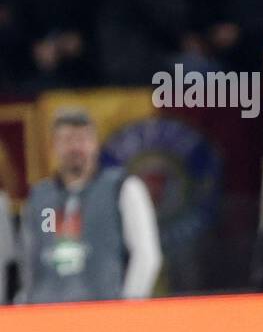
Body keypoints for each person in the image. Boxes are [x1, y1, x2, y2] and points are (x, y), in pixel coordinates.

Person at [19, 109, 161, 304]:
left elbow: (146, 255)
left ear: (95, 144)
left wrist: (129, 308)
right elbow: (30, 261)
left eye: (83, 139)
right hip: (47, 315)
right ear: (53, 146)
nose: (76, 147)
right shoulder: (41, 198)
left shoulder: (123, 188)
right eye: (67, 140)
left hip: (103, 314)